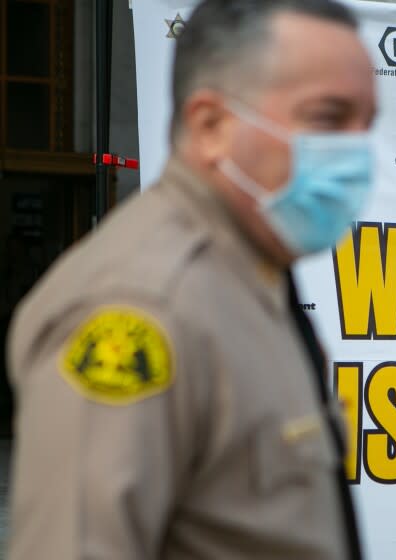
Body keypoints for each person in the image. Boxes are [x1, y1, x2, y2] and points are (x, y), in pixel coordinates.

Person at [6, 0, 376, 558]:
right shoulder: (137, 304)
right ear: (210, 126)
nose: (356, 153)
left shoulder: (252, 277)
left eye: (364, 125)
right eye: (328, 119)